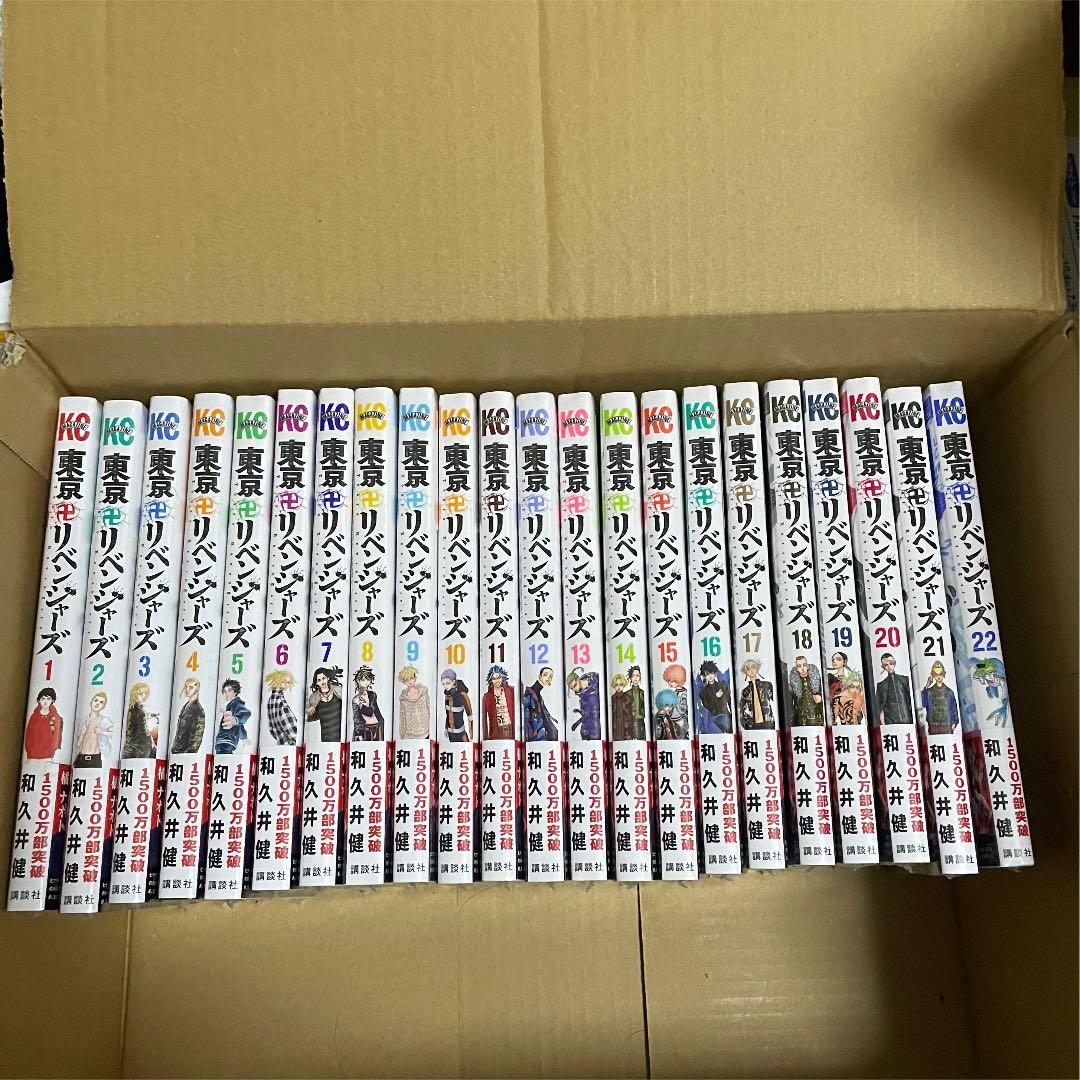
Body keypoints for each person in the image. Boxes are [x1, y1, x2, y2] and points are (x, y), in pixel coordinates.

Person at [73, 691, 112, 768]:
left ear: (103, 706)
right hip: (81, 757)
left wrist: (102, 732)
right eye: (95, 700)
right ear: (91, 702)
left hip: (95, 758)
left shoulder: (105, 721)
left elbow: (114, 733)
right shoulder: (83, 720)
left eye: (101, 702)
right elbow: (77, 739)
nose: (97, 703)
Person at [827, 652, 866, 726]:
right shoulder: (830, 677)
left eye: (838, 659)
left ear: (844, 662)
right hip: (835, 706)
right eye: (833, 660)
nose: (834, 661)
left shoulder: (853, 678)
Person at [922, 660, 959, 735]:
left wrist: (955, 723)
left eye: (940, 674)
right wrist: (927, 685)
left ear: (944, 674)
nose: (938, 676)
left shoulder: (949, 692)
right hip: (933, 725)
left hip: (947, 725)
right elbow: (923, 704)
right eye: (936, 674)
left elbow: (954, 708)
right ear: (932, 675)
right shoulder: (929, 692)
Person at [264, 669, 300, 746]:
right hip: (289, 744)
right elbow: (289, 725)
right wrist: (298, 737)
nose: (287, 685)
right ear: (278, 680)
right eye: (284, 681)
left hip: (280, 742)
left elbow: (271, 727)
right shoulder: (280, 701)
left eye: (288, 682)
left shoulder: (270, 700)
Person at [24, 687, 63, 760]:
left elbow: (55, 735)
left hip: (48, 756)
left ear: (52, 700)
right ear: (39, 700)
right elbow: (29, 734)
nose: (45, 701)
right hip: (32, 755)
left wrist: (51, 750)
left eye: (48, 699)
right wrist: (29, 750)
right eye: (43, 699)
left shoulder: (54, 717)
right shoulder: (34, 716)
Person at [306, 667, 343, 742]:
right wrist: (309, 712)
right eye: (319, 680)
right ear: (316, 683)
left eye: (323, 678)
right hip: (325, 738)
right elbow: (309, 719)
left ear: (328, 678)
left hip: (342, 736)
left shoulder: (339, 690)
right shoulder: (313, 697)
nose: (322, 681)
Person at [695, 661, 732, 735]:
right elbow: (707, 707)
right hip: (713, 719)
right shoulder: (703, 692)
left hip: (726, 716)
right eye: (707, 674)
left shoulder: (722, 685)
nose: (710, 676)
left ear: (715, 673)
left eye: (711, 673)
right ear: (704, 676)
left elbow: (729, 700)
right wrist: (716, 697)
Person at [122, 682, 158, 758]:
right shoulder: (137, 710)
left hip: (137, 743)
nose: (144, 696)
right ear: (134, 695)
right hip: (139, 745)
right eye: (140, 694)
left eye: (146, 693)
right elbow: (144, 729)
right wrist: (152, 742)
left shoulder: (134, 707)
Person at [787, 655, 825, 726]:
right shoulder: (793, 684)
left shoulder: (817, 681)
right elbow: (790, 702)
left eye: (804, 665)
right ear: (796, 668)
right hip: (800, 715)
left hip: (816, 713)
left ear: (807, 666)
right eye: (799, 666)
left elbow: (826, 696)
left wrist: (821, 698)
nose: (802, 668)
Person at [876, 653, 912, 726]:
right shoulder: (881, 685)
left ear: (894, 663)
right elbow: (879, 708)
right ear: (883, 667)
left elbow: (910, 700)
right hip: (890, 723)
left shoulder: (905, 680)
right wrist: (883, 725)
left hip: (907, 721)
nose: (889, 666)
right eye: (886, 665)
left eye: (891, 663)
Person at [216, 679, 251, 754]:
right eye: (225, 691)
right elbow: (240, 726)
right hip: (224, 741)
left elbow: (246, 713)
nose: (226, 693)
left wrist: (235, 720)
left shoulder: (236, 703)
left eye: (229, 690)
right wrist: (244, 737)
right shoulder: (231, 706)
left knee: (224, 758)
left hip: (226, 740)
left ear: (235, 692)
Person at [738, 659, 774, 730]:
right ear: (746, 672)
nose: (751, 670)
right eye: (748, 669)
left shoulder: (767, 685)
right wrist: (746, 723)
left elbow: (775, 702)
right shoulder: (745, 691)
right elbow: (742, 709)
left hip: (768, 723)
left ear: (757, 669)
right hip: (752, 725)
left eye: (753, 667)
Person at [171, 677, 205, 753]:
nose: (187, 689)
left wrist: (189, 753)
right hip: (177, 750)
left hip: (185, 753)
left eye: (191, 687)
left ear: (197, 689)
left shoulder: (198, 709)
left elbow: (197, 736)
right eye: (186, 687)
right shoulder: (186, 707)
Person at [396, 665, 431, 739]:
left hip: (425, 731)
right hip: (411, 734)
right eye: (406, 680)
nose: (409, 681)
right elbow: (402, 717)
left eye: (411, 678)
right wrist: (402, 734)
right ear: (403, 681)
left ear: (415, 678)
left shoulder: (424, 692)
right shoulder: (403, 698)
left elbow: (429, 709)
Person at [351, 665, 385, 741]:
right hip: (365, 731)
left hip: (378, 728)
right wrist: (358, 733)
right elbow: (356, 718)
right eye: (363, 680)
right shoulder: (356, 699)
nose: (366, 682)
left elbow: (375, 711)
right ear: (358, 680)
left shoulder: (373, 695)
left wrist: (381, 723)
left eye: (368, 679)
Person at [523, 667, 557, 741]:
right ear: (539, 676)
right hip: (534, 735)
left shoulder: (539, 696)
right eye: (545, 675)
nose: (548, 678)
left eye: (550, 676)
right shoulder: (530, 694)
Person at [566, 668, 601, 740]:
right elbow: (587, 715)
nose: (575, 689)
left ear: (578, 679)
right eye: (572, 688)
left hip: (597, 730)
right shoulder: (582, 698)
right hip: (586, 730)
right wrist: (577, 723)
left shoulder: (597, 680)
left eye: (575, 685)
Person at [482, 665, 515, 741]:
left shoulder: (511, 691)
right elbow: (484, 719)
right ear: (491, 680)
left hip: (510, 732)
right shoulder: (487, 697)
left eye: (499, 678)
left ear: (502, 678)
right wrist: (486, 738)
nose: (497, 681)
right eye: (494, 679)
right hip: (495, 734)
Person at [441, 668, 473, 741]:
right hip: (450, 734)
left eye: (448, 683)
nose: (445, 686)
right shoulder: (447, 695)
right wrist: (446, 728)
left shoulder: (462, 694)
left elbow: (470, 715)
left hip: (461, 734)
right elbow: (448, 714)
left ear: (453, 681)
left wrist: (472, 734)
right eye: (443, 684)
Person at [610, 672, 643, 741]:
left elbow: (633, 715)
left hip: (627, 729)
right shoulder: (611, 698)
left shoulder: (629, 698)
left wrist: (633, 731)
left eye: (621, 684)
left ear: (624, 685)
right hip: (615, 728)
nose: (618, 687)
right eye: (616, 685)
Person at [662, 664, 689, 738]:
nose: (669, 683)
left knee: (680, 734)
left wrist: (672, 708)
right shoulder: (675, 692)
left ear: (677, 680)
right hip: (673, 717)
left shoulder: (683, 694)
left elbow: (682, 709)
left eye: (670, 681)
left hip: (680, 718)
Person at [628, 665, 647, 740]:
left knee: (641, 738)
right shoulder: (627, 693)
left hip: (640, 719)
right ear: (630, 678)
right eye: (633, 675)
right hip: (630, 720)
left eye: (637, 675)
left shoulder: (643, 693)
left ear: (640, 677)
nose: (635, 678)